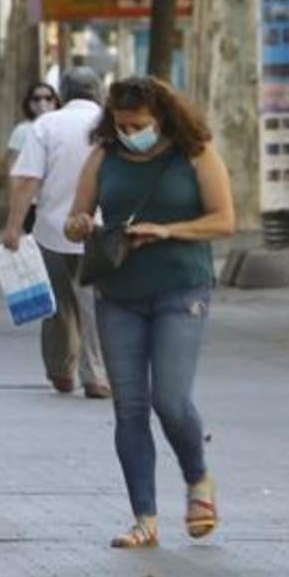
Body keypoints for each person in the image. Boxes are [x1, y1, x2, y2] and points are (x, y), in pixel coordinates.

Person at [64, 76, 234, 549]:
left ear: (161, 118)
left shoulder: (195, 153)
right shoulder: (104, 157)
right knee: (130, 406)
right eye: (121, 125)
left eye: (138, 125)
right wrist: (79, 224)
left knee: (171, 400)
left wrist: (168, 231)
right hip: (119, 291)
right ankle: (144, 518)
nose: (129, 133)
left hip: (181, 288)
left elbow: (224, 219)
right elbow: (76, 219)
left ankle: (197, 478)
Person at [4, 67, 110, 398]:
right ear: (99, 92)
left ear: (62, 94)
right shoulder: (111, 123)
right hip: (100, 230)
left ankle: (61, 371)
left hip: (52, 231)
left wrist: (13, 227)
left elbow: (28, 179)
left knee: (57, 304)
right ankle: (96, 376)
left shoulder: (46, 125)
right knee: (95, 304)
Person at [8, 82, 61, 233]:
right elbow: (13, 171)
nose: (42, 103)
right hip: (31, 202)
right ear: (29, 103)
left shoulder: (62, 127)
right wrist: (15, 206)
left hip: (58, 201)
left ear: (55, 101)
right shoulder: (21, 131)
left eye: (48, 98)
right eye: (36, 98)